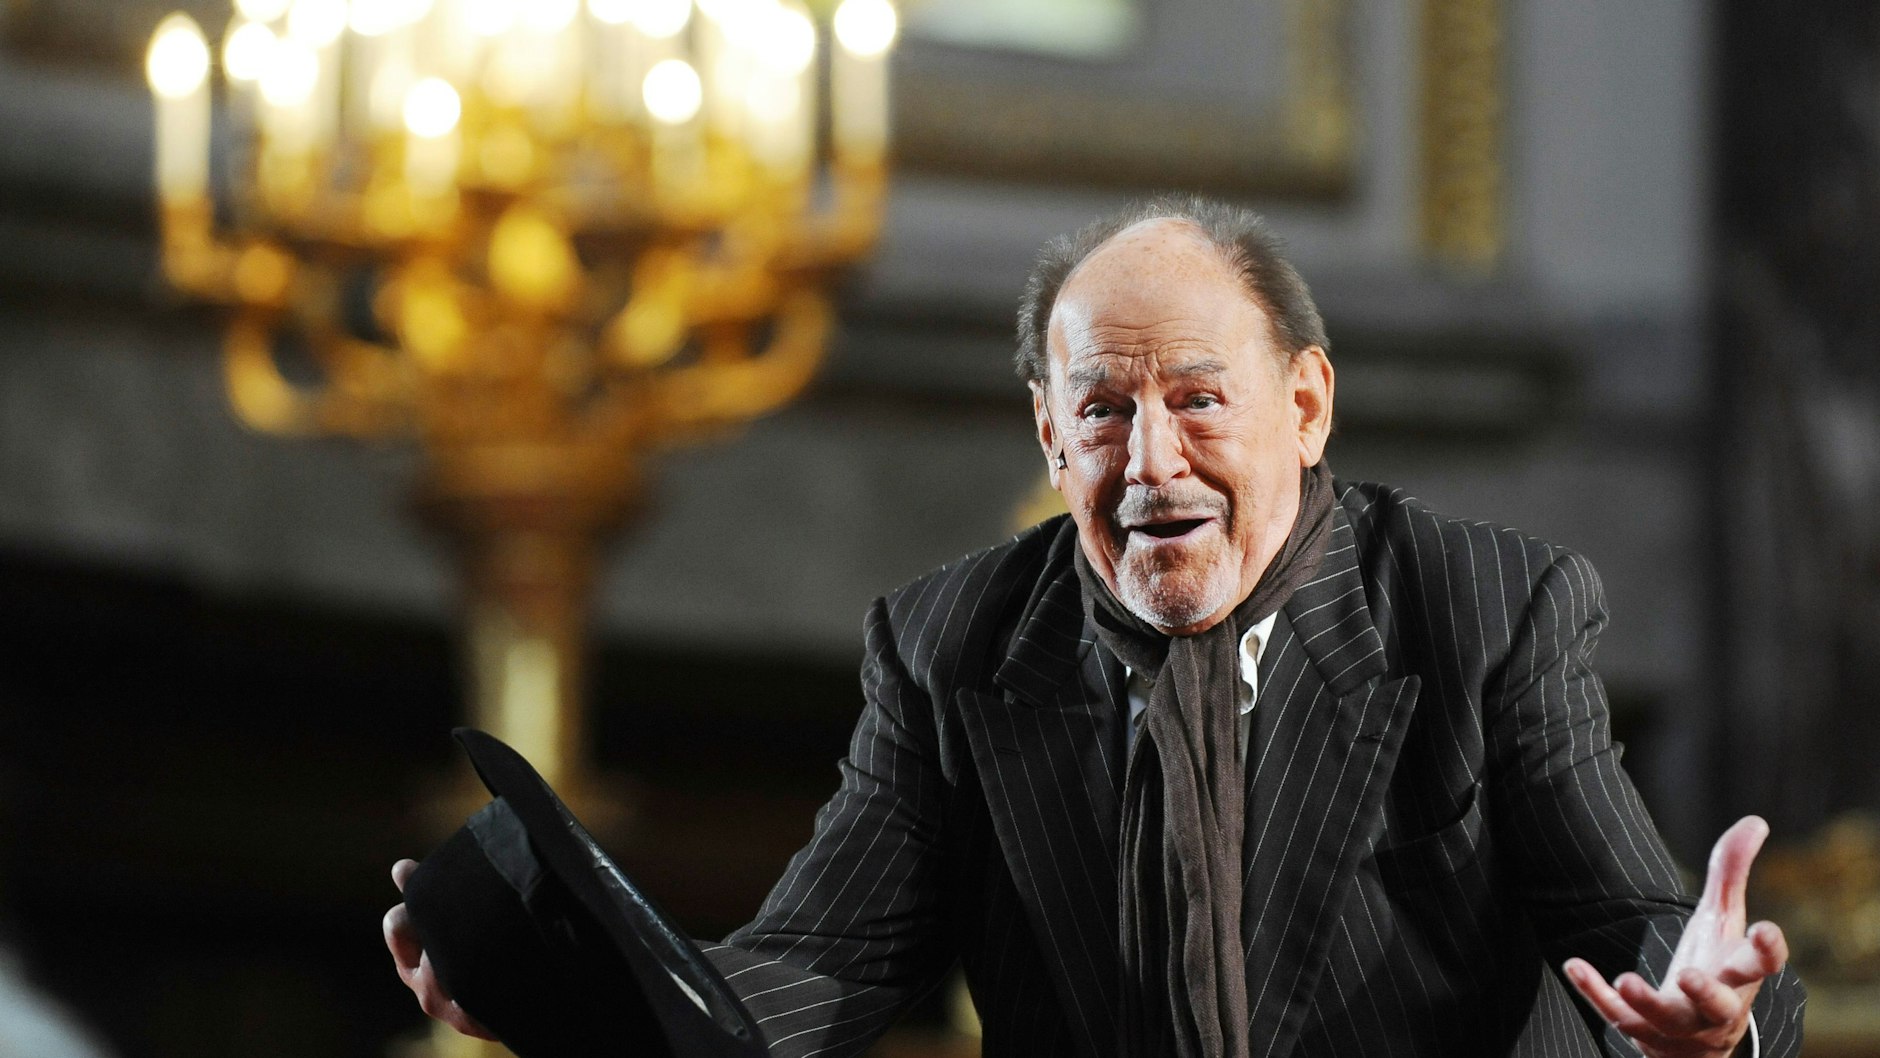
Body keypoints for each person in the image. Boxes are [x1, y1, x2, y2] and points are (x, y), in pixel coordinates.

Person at [386, 196, 1804, 1057]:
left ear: (1305, 407)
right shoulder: (951, 649)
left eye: (1198, 396)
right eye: (1104, 410)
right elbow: (813, 969)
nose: (1152, 460)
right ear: (1049, 436)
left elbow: (1635, 924)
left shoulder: (1487, 611)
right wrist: (584, 999)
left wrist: (1708, 1020)